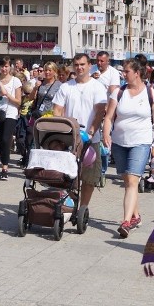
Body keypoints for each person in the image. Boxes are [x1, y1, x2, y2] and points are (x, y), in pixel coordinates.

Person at [103, 58, 154, 238]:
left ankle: (125, 222)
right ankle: (136, 216)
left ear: (137, 73)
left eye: (126, 71)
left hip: (141, 141)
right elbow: (108, 117)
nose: (124, 74)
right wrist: (106, 134)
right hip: (119, 142)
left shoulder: (151, 94)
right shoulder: (118, 92)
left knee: (132, 181)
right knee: (128, 182)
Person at [52, 53, 107, 209]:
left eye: (82, 64)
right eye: (76, 65)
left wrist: (90, 132)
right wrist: (62, 130)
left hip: (91, 139)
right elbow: (57, 110)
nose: (79, 68)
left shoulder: (97, 87)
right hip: (70, 139)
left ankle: (83, 207)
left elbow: (99, 112)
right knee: (69, 174)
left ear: (89, 65)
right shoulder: (66, 87)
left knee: (89, 178)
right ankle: (70, 202)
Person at [0, 57, 22, 180]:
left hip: (11, 113)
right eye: (2, 66)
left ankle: (5, 168)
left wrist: (7, 95)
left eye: (6, 66)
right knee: (1, 141)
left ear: (10, 67)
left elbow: (18, 101)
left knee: (6, 139)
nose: (4, 69)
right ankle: (3, 164)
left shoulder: (15, 81)